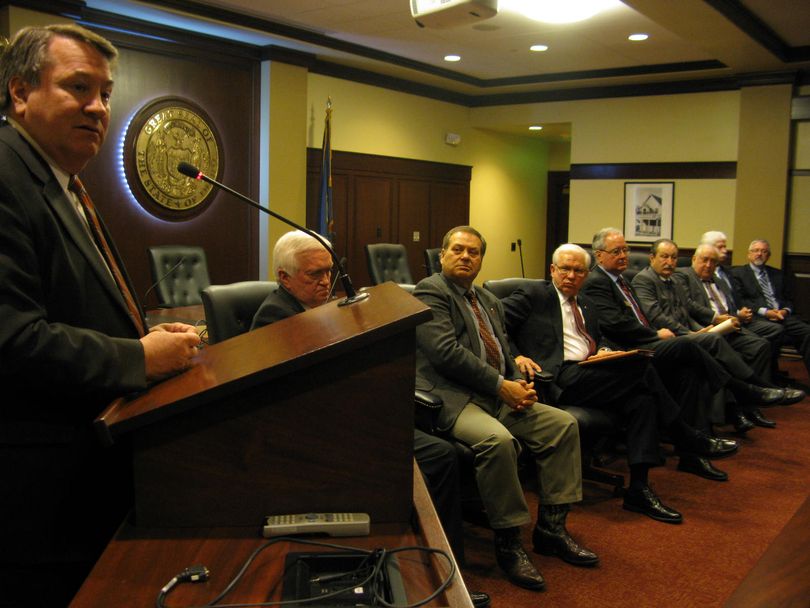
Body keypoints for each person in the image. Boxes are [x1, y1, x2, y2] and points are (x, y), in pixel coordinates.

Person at [0, 24, 201, 606]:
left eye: (106, 93)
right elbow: (11, 338)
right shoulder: (7, 175)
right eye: (77, 87)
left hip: (82, 482)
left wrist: (141, 335)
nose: (97, 107)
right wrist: (137, 356)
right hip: (37, 497)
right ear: (19, 91)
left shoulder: (61, 181)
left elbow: (70, 306)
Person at [251, 231, 490, 608]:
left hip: (350, 418)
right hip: (319, 433)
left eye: (330, 272)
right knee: (440, 458)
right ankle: (443, 576)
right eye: (314, 275)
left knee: (442, 454)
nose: (326, 282)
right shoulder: (276, 315)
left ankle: (443, 570)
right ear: (284, 278)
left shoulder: (311, 306)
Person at [414, 226, 597, 593]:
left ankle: (551, 529)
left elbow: (504, 347)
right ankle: (509, 541)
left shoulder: (486, 299)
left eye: (474, 252)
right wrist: (502, 386)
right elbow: (446, 354)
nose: (466, 257)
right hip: (455, 397)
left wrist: (520, 382)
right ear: (442, 255)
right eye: (459, 250)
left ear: (482, 258)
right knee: (498, 442)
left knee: (562, 425)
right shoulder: (431, 291)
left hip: (499, 394)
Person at [502, 243, 694, 522]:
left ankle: (639, 489)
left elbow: (599, 335)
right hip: (558, 377)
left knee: (643, 401)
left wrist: (604, 350)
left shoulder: (587, 303)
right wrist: (516, 356)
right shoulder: (533, 295)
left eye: (578, 270)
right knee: (642, 371)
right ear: (553, 270)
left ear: (587, 274)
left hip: (590, 372)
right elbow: (495, 324)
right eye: (565, 269)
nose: (570, 275)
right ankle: (683, 433)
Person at [580, 228, 741, 480]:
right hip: (626, 349)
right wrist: (656, 336)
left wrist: (657, 333)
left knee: (690, 373)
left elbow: (641, 318)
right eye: (617, 251)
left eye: (626, 250)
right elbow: (615, 325)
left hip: (646, 342)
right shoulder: (595, 282)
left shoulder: (622, 280)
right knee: (688, 345)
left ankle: (691, 455)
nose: (624, 255)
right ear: (599, 256)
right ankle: (739, 389)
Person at [631, 239, 800, 428]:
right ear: (652, 258)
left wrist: (699, 330)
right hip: (666, 338)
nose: (669, 262)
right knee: (715, 341)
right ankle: (756, 388)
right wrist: (693, 333)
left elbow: (685, 312)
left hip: (686, 334)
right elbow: (657, 317)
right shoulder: (644, 279)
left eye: (673, 257)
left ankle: (742, 402)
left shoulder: (674, 280)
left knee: (721, 345)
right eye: (664, 257)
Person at [732, 239, 810, 380]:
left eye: (764, 251)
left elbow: (789, 299)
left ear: (768, 256)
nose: (759, 254)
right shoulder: (738, 274)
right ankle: (768, 377)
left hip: (782, 316)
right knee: (775, 331)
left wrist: (785, 310)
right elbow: (741, 301)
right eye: (755, 250)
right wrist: (765, 311)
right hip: (758, 317)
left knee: (807, 331)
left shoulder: (778, 275)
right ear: (749, 254)